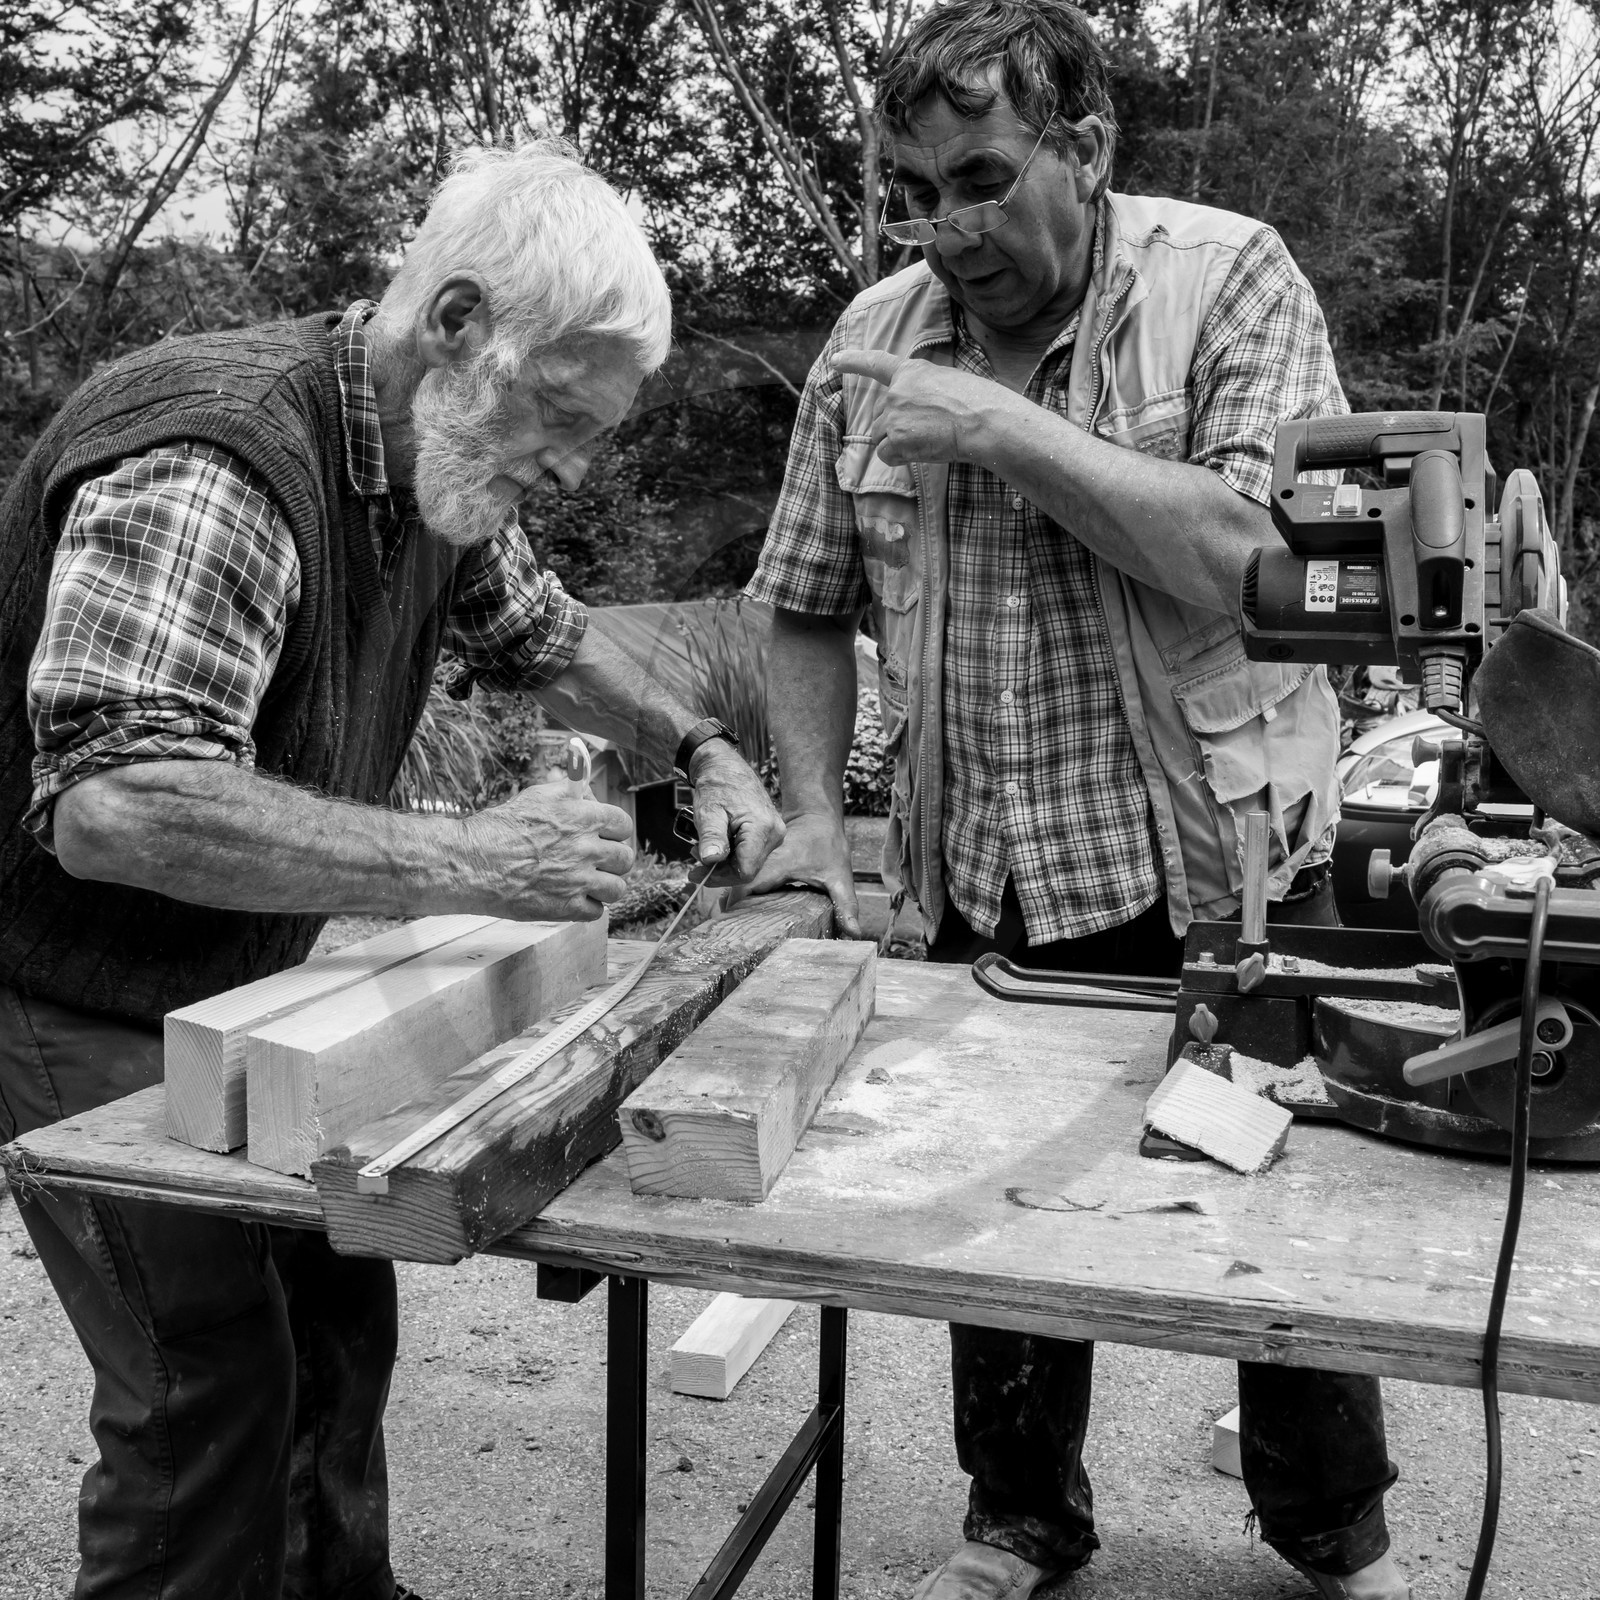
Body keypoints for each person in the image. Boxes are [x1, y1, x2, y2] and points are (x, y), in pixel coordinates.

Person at [0, 139, 783, 1599]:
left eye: (597, 435)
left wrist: (697, 748)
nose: (571, 464)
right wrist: (473, 859)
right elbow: (116, 805)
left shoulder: (436, 462)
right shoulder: (217, 456)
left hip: (244, 974)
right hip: (68, 987)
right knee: (205, 1382)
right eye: (563, 415)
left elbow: (543, 644)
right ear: (462, 322)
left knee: (340, 1306)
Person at [742, 5, 1408, 1598]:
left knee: (1265, 1208)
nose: (945, 229)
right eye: (913, 189)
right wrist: (821, 823)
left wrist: (999, 426)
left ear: (1086, 148)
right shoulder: (871, 336)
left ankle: (1330, 1535)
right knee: (1002, 1214)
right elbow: (795, 599)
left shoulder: (1230, 278)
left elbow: (1256, 560)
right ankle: (1021, 1523)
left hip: (1217, 866)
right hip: (988, 866)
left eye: (979, 178)